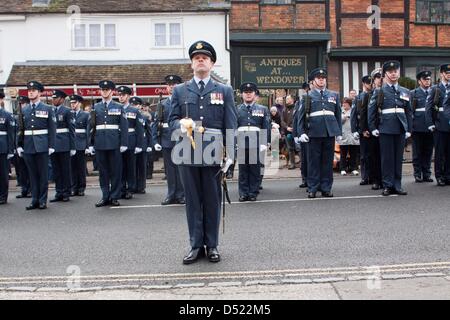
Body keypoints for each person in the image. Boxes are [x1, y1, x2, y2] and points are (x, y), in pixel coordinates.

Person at [169, 40, 237, 264]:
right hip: (187, 152)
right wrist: (180, 124)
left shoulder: (224, 90)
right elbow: (170, 121)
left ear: (212, 64)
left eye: (204, 58)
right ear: (191, 64)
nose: (200, 60)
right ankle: (195, 245)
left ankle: (212, 245)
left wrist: (230, 155)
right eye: (196, 58)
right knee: (192, 201)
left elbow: (230, 124)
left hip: (214, 152)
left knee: (212, 200)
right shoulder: (180, 90)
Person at [368, 61, 412, 196]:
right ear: (385, 74)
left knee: (398, 158)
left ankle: (397, 185)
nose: (394, 74)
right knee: (387, 158)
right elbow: (372, 111)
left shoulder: (405, 91)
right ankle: (387, 185)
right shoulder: (380, 91)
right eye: (391, 72)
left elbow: (409, 112)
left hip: (400, 128)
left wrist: (409, 129)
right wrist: (373, 127)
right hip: (385, 127)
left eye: (396, 71)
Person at [296, 68, 342, 198]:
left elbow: (337, 114)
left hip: (329, 132)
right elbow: (301, 117)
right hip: (313, 132)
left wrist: (338, 132)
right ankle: (313, 187)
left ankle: (326, 187)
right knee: (313, 162)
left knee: (327, 162)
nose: (321, 80)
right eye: (319, 78)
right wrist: (301, 133)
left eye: (323, 78)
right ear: (313, 81)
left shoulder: (334, 95)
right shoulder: (307, 96)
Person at [88, 80, 128, 207]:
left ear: (112, 91)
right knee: (103, 172)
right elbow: (91, 127)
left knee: (116, 171)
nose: (104, 92)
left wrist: (124, 143)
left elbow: (124, 126)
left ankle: (114, 196)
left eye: (106, 90)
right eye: (102, 90)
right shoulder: (96, 107)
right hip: (100, 143)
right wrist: (90, 144)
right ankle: (105, 196)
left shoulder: (119, 107)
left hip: (114, 143)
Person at [17, 81, 56, 210]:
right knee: (32, 175)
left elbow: (52, 128)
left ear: (39, 92)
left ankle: (42, 200)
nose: (31, 92)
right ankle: (34, 199)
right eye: (29, 90)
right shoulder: (24, 109)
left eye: (34, 90)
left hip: (43, 145)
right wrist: (19, 144)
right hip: (28, 145)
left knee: (43, 175)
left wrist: (51, 145)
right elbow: (20, 129)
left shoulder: (47, 108)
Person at [152, 75, 185, 205]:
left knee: (180, 169)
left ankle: (181, 195)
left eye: (174, 84)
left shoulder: (183, 102)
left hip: (180, 138)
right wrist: (155, 141)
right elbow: (156, 123)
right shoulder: (162, 104)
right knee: (169, 170)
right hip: (166, 138)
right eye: (169, 85)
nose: (171, 87)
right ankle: (171, 194)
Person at [236, 82, 269, 202]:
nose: (248, 95)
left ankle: (253, 192)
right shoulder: (236, 109)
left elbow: (266, 126)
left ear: (255, 94)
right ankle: (243, 193)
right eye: (246, 92)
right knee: (243, 169)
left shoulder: (263, 109)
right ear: (242, 95)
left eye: (250, 92)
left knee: (255, 169)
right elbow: (233, 126)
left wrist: (264, 143)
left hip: (257, 142)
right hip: (241, 141)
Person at [117, 86, 144, 200]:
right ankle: (121, 188)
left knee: (130, 167)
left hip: (131, 141)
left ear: (128, 96)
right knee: (119, 167)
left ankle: (130, 189)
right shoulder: (116, 108)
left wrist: (139, 145)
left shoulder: (134, 110)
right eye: (119, 95)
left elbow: (139, 129)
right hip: (118, 142)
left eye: (123, 95)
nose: (121, 97)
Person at [49, 90, 76, 203]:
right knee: (56, 170)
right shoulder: (50, 110)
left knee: (65, 170)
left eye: (56, 98)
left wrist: (73, 147)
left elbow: (72, 130)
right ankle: (59, 192)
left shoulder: (67, 111)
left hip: (64, 144)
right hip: (54, 145)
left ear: (62, 99)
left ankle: (66, 192)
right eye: (53, 98)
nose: (53, 100)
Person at [426, 64, 450, 186]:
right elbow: (428, 107)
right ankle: (439, 176)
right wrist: (430, 123)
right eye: (446, 72)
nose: (448, 74)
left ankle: (448, 175)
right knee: (440, 152)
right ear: (441, 74)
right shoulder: (435, 89)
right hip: (439, 124)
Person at [411, 70, 434, 183]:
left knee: (428, 151)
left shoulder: (434, 92)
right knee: (417, 152)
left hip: (430, 127)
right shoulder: (413, 93)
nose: (427, 81)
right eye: (425, 79)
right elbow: (410, 112)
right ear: (419, 81)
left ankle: (427, 173)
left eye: (429, 79)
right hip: (417, 127)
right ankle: (417, 174)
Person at [350, 75, 373, 185]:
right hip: (362, 129)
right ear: (364, 84)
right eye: (369, 83)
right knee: (364, 155)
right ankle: (365, 176)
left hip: (373, 129)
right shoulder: (358, 98)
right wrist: (354, 130)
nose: (370, 85)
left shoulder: (375, 95)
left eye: (371, 83)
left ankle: (373, 176)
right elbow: (354, 115)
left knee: (374, 155)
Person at [70, 94, 89, 196]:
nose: (72, 105)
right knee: (72, 168)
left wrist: (87, 146)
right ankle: (74, 187)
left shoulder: (85, 115)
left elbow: (88, 131)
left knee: (81, 168)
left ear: (79, 103)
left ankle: (81, 187)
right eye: (71, 103)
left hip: (81, 144)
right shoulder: (69, 114)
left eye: (74, 103)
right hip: (72, 144)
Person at [133, 97, 153, 194]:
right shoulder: (129, 115)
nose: (135, 106)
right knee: (133, 166)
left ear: (140, 106)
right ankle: (133, 185)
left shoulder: (144, 116)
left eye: (136, 104)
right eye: (133, 105)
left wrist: (150, 144)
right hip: (133, 143)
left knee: (142, 166)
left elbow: (149, 131)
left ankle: (141, 186)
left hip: (143, 143)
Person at [15, 96, 31, 199]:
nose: (21, 106)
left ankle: (30, 190)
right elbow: (16, 133)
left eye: (23, 104)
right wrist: (17, 146)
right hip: (19, 146)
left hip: (28, 145)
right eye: (20, 104)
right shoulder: (17, 117)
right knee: (21, 170)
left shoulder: (29, 116)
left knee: (30, 170)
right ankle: (24, 190)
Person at [0, 92, 15, 204]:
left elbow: (11, 134)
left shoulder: (7, 115)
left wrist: (11, 150)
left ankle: (3, 196)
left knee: (3, 174)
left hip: (2, 147)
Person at [339, 97, 359, 175]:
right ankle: (342, 169)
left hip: (352, 135)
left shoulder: (354, 111)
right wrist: (344, 118)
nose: (344, 105)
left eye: (346, 103)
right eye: (343, 103)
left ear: (349, 104)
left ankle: (353, 168)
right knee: (343, 153)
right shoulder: (340, 111)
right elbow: (337, 121)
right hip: (343, 135)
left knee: (353, 153)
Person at [281, 95, 296, 169]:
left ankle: (303, 165)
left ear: (292, 99)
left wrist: (293, 127)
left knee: (299, 148)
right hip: (287, 132)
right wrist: (287, 127)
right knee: (290, 148)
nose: (286, 100)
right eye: (286, 99)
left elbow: (297, 118)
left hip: (296, 132)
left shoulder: (296, 108)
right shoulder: (284, 109)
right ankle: (292, 164)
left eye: (288, 99)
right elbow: (282, 121)